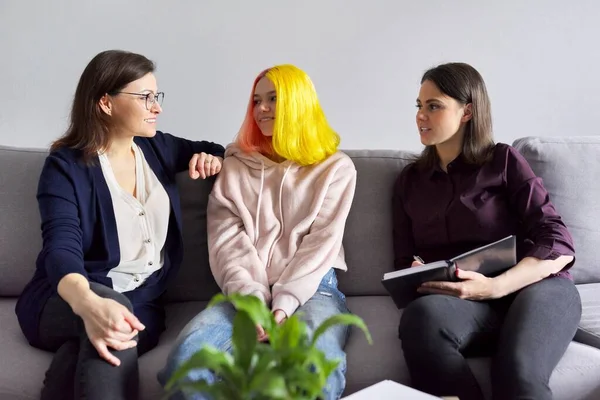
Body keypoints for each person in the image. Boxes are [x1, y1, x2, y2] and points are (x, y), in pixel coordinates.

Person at [14, 49, 225, 400]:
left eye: (156, 96)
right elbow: (60, 248)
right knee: (118, 327)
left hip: (144, 303)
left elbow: (215, 149)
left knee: (94, 345)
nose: (156, 107)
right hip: (65, 299)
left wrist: (210, 157)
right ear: (106, 104)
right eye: (145, 98)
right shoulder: (65, 168)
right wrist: (88, 304)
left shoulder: (158, 148)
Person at [158, 64, 357, 400]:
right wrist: (252, 303)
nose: (261, 109)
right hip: (242, 289)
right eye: (256, 100)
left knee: (313, 363)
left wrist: (284, 304)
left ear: (298, 102)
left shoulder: (336, 169)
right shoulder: (235, 166)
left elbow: (321, 244)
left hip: (313, 288)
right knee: (187, 360)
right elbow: (226, 243)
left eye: (273, 99)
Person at [393, 62, 582, 400]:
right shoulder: (409, 181)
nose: (421, 115)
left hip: (534, 288)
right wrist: (415, 272)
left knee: (516, 373)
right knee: (419, 317)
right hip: (466, 303)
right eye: (419, 106)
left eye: (433, 106)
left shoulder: (502, 160)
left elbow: (558, 241)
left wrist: (495, 287)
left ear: (467, 112)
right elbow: (405, 259)